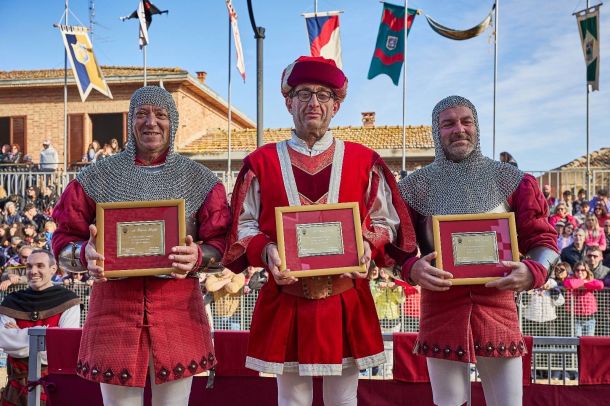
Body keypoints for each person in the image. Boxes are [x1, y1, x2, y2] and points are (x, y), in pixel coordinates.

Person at [223, 56, 417, 406]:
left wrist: (367, 246)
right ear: (288, 102)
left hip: (346, 297)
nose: (314, 102)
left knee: (343, 400)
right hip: (286, 297)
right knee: (292, 400)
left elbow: (386, 222)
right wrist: (267, 251)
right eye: (304, 93)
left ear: (336, 105)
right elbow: (244, 224)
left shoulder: (364, 161)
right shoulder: (261, 163)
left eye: (324, 95)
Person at [51, 86, 230, 405]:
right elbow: (64, 237)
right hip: (114, 308)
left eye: (160, 115)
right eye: (142, 114)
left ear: (172, 122)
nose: (151, 122)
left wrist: (197, 256)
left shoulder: (199, 180)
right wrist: (83, 254)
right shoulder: (96, 178)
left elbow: (223, 242)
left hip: (177, 308)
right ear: (130, 121)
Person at [398, 96, 558, 406]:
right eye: (448, 123)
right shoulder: (414, 188)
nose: (459, 129)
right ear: (436, 131)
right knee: (449, 403)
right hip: (441, 306)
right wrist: (411, 268)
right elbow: (395, 247)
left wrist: (533, 271)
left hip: (498, 304)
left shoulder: (513, 181)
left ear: (476, 126)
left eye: (466, 121)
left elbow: (544, 239)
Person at [0, 249, 81, 405]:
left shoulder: (69, 301)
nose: (33, 271)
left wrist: (18, 333)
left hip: (53, 388)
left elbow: (62, 348)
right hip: (16, 390)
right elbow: (4, 341)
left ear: (53, 269)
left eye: (40, 266)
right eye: (29, 266)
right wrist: (49, 334)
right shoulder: (12, 301)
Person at [563, 261, 603, 336]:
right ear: (574, 271)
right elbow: (571, 284)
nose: (580, 272)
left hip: (590, 319)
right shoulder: (569, 279)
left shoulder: (590, 279)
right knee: (577, 341)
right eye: (577, 270)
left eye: (583, 270)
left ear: (587, 271)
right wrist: (583, 281)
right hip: (575, 319)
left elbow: (600, 285)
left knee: (589, 341)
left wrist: (583, 283)